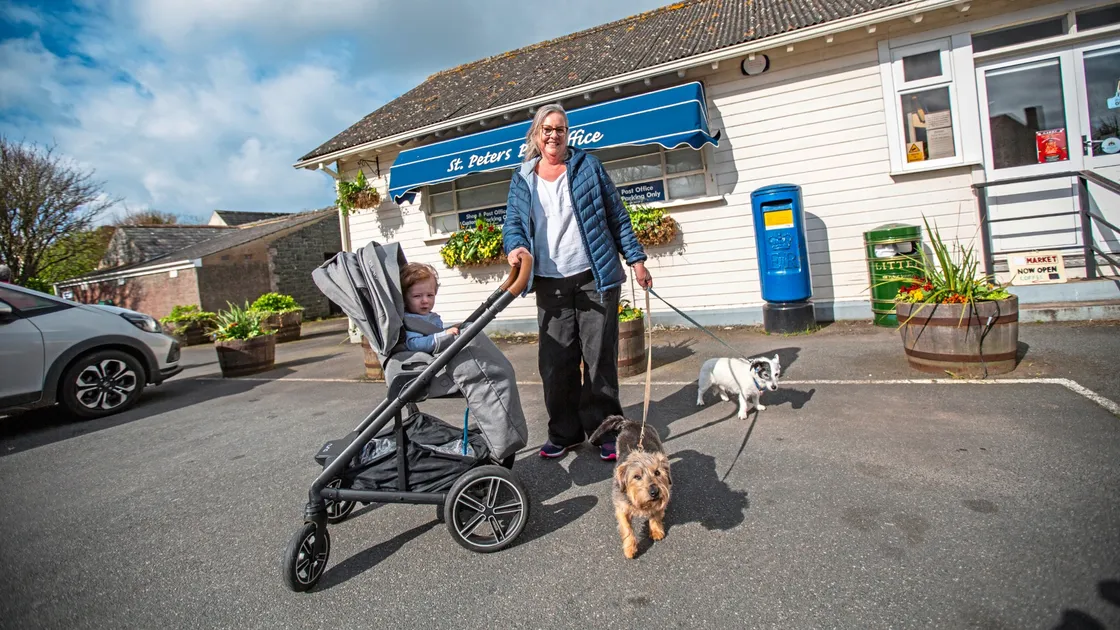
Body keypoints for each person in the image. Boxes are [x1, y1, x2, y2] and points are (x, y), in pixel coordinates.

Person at [503, 104, 653, 462]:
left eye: (561, 129)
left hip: (593, 276)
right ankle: (564, 432)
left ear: (567, 133)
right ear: (536, 135)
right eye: (547, 129)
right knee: (556, 363)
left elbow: (616, 214)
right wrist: (516, 246)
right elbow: (513, 224)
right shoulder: (522, 178)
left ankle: (605, 431)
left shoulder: (588, 167)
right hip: (549, 284)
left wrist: (637, 259)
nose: (554, 135)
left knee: (599, 359)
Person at [400, 262, 460, 354]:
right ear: (404, 299)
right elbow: (414, 344)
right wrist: (444, 335)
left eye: (430, 295)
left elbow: (434, 333)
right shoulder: (409, 321)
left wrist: (450, 329)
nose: (425, 300)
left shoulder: (430, 316)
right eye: (417, 296)